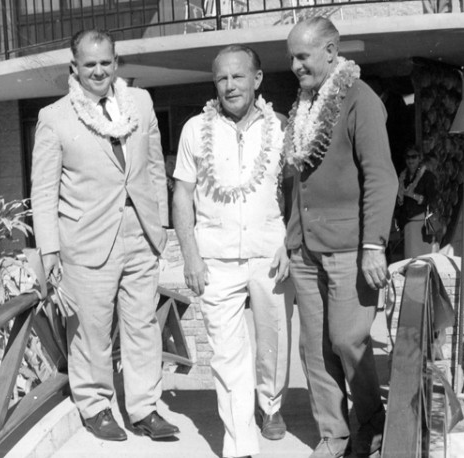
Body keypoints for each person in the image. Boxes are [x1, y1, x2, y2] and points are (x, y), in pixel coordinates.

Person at [31, 29, 179, 442]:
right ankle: (95, 405)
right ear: (74, 67)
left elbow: (152, 168)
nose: (98, 71)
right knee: (92, 330)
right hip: (86, 242)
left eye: (105, 63)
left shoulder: (142, 103)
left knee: (143, 324)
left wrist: (160, 227)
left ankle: (144, 408)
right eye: (89, 64)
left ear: (116, 63)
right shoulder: (54, 118)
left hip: (140, 237)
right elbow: (43, 192)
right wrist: (50, 253)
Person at [172, 44, 293, 458]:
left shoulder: (280, 128)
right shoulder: (194, 130)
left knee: (272, 340)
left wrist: (290, 244)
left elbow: (298, 190)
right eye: (222, 78)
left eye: (238, 76)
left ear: (257, 80)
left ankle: (271, 405)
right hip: (215, 258)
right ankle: (241, 444)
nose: (230, 85)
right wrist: (189, 253)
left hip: (269, 252)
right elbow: (181, 194)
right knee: (227, 354)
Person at [285, 18, 398, 458]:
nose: (295, 66)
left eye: (302, 56)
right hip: (304, 247)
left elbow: (380, 176)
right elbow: (298, 181)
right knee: (314, 349)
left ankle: (371, 424)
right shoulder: (305, 103)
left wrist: (375, 244)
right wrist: (290, 236)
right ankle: (333, 435)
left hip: (350, 247)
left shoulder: (360, 98)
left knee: (348, 340)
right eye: (291, 57)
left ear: (331, 51)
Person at [396, 146, 438, 259]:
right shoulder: (402, 177)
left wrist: (414, 196)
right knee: (410, 259)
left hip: (422, 225)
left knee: (424, 259)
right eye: (408, 157)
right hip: (408, 223)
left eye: (414, 156)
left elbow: (433, 200)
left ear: (420, 158)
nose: (410, 160)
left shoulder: (428, 177)